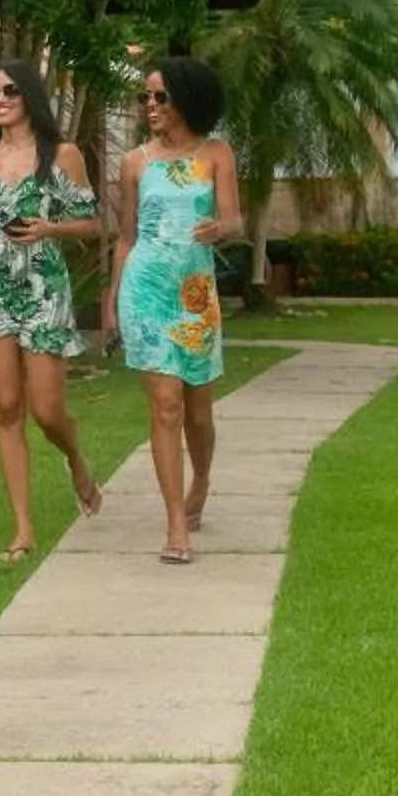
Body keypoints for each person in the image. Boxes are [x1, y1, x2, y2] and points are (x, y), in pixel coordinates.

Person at [0, 58, 104, 565]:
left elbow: (93, 223)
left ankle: (75, 457)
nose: (0, 99)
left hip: (43, 287)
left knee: (46, 411)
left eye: (10, 90)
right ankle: (23, 528)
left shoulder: (63, 154)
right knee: (6, 408)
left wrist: (50, 229)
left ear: (29, 95)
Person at [103, 55, 242, 564]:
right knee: (165, 406)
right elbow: (125, 237)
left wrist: (220, 229)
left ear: (186, 98)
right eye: (145, 97)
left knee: (198, 413)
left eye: (160, 97)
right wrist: (113, 299)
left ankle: (201, 479)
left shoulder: (216, 154)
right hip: (146, 290)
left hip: (194, 294)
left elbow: (235, 221)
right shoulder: (135, 162)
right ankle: (175, 525)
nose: (150, 106)